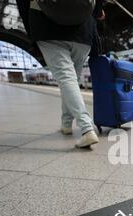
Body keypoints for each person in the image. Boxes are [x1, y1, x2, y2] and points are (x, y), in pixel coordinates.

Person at [17, 0, 106, 148]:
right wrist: (98, 11)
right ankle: (66, 124)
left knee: (67, 79)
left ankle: (87, 129)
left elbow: (23, 3)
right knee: (71, 81)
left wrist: (32, 30)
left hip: (46, 26)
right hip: (83, 29)